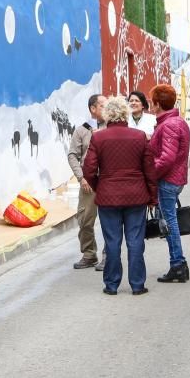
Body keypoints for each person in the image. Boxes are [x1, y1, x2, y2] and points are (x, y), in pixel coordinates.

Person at [82, 96, 157, 295]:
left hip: (108, 198)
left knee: (112, 242)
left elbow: (88, 169)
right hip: (136, 196)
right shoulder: (140, 136)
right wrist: (152, 197)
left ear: (107, 115)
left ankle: (112, 285)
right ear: (126, 113)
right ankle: (137, 284)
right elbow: (150, 170)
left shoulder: (98, 137)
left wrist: (101, 186)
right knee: (135, 241)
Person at [149, 84, 190, 284]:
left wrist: (151, 174)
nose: (151, 105)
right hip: (175, 178)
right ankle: (178, 263)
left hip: (168, 180)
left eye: (152, 102)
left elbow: (166, 158)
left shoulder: (169, 125)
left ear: (157, 104)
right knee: (170, 221)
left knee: (170, 223)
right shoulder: (175, 122)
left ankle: (177, 264)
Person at [67, 94, 108, 270]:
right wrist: (80, 177)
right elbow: (72, 155)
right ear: (93, 109)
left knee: (109, 221)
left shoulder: (112, 128)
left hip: (107, 180)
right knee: (84, 220)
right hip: (88, 183)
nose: (107, 109)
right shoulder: (81, 130)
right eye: (103, 106)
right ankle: (89, 254)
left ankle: (108, 256)